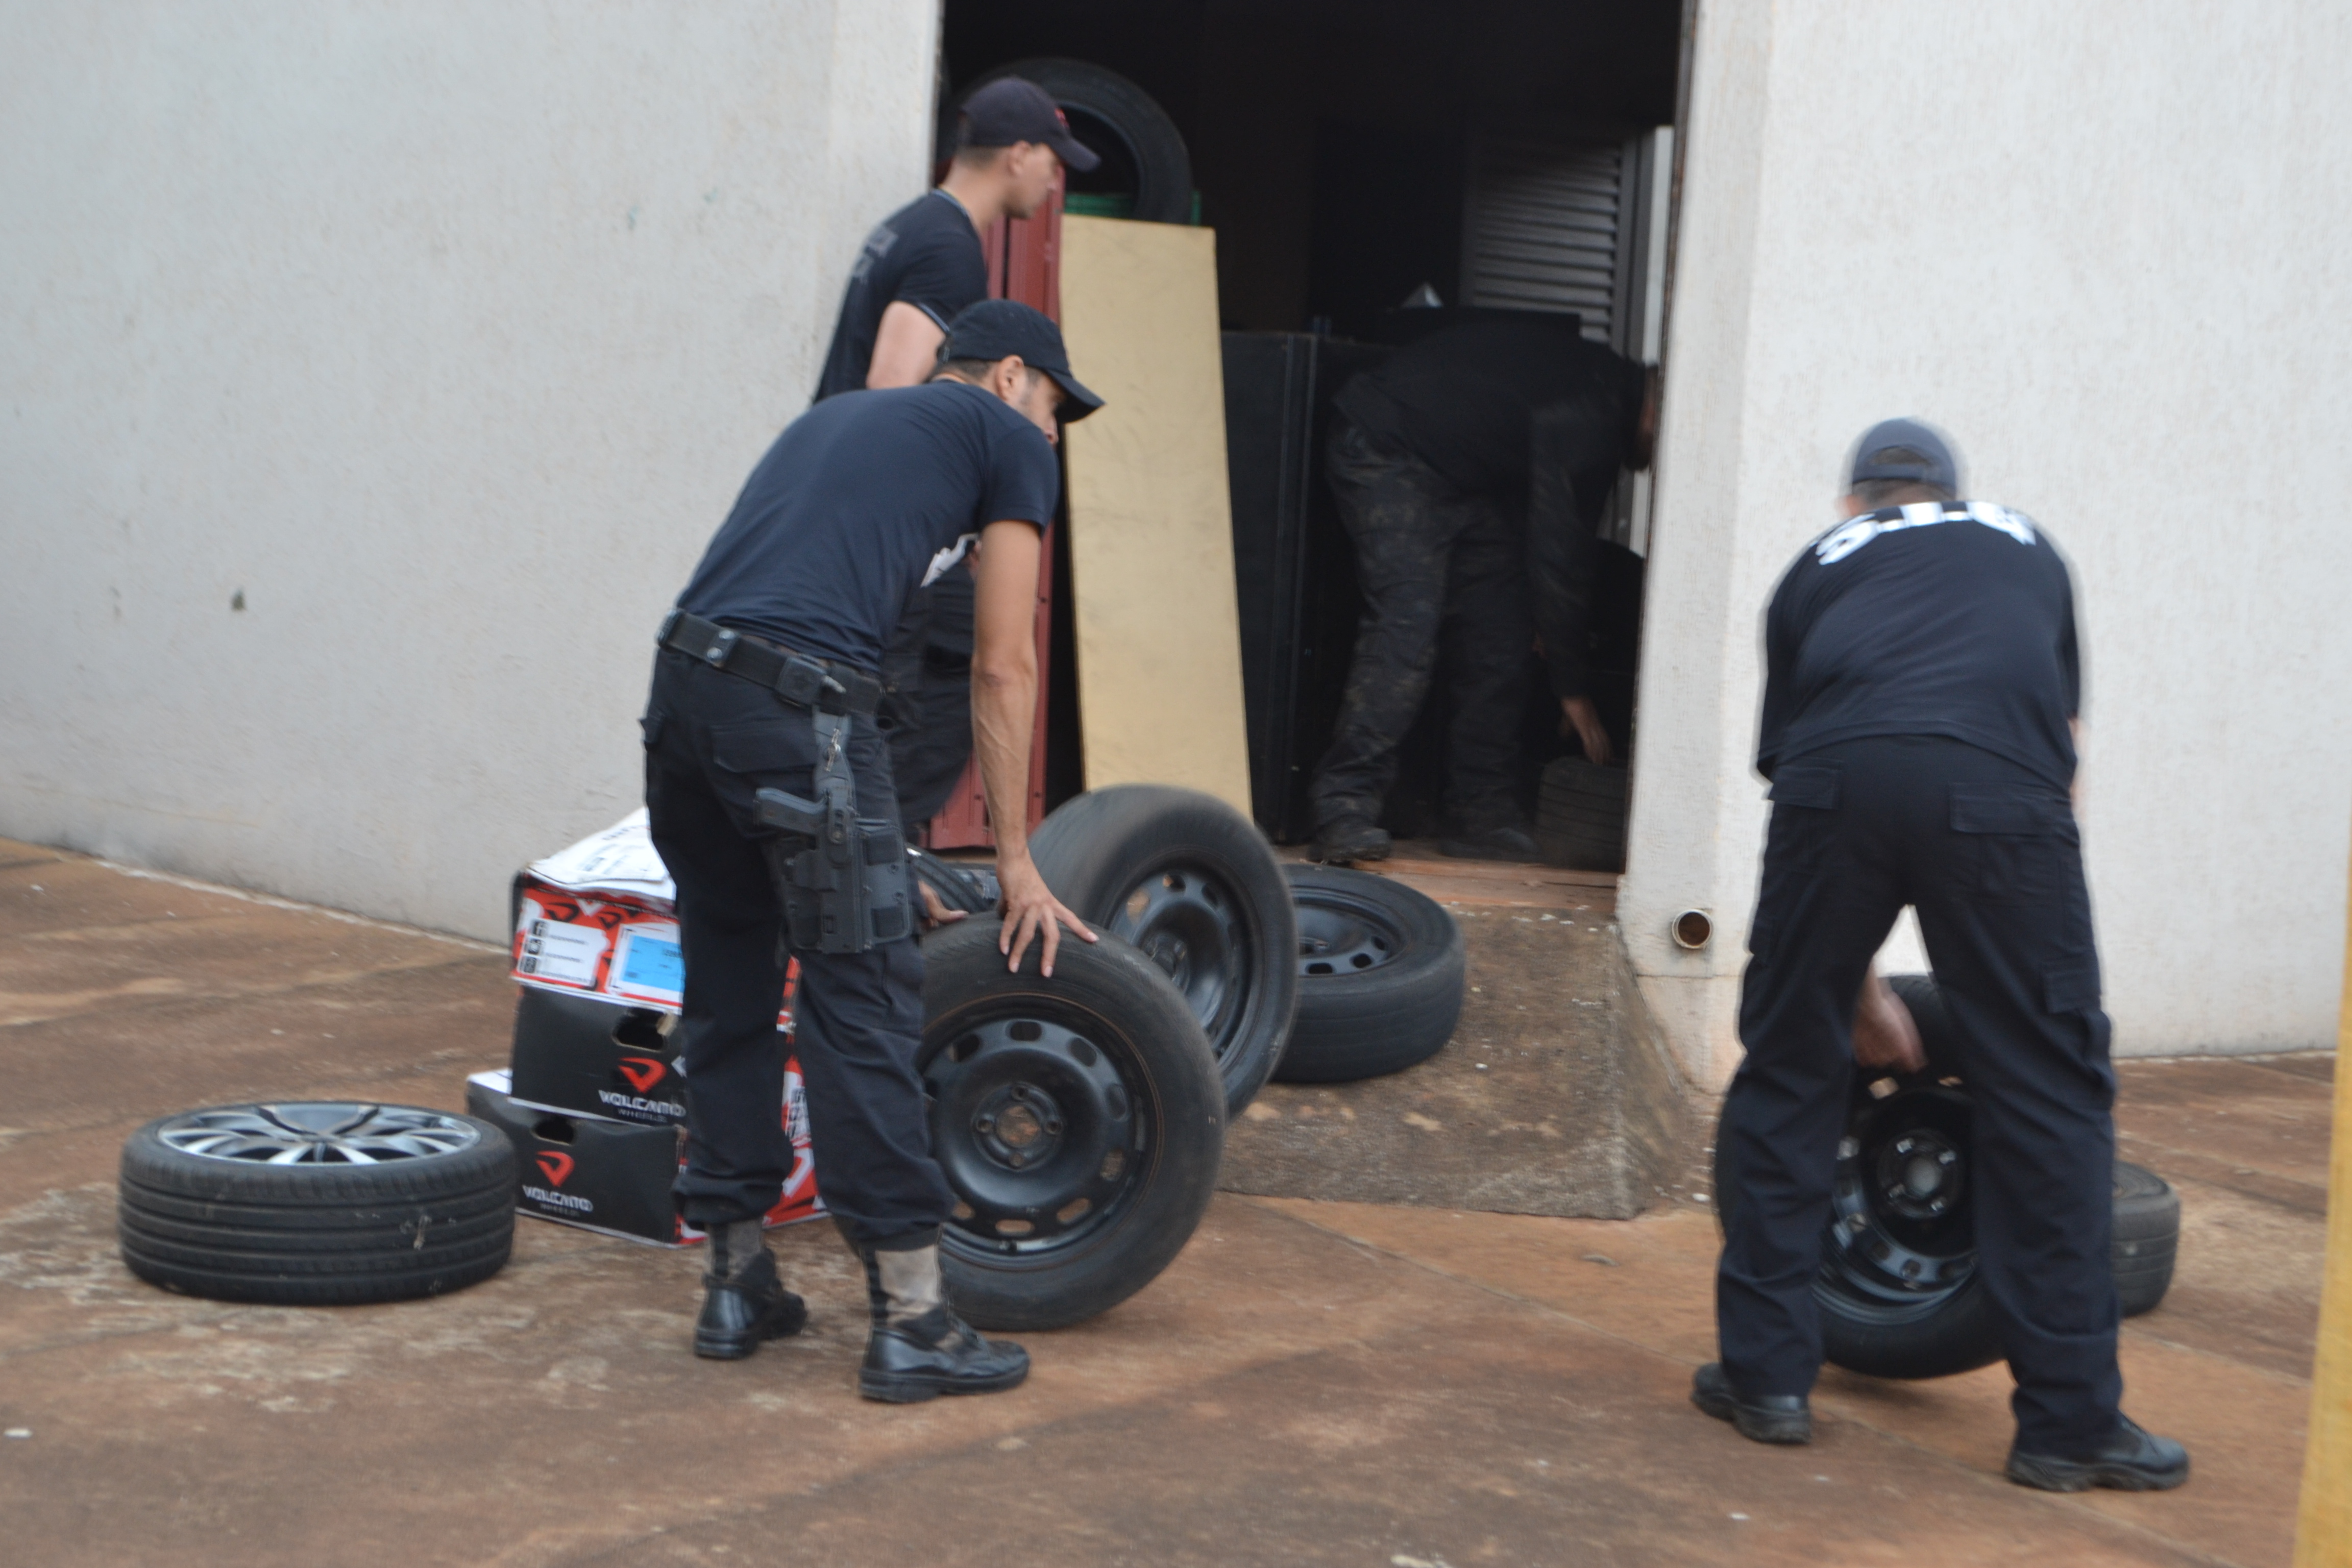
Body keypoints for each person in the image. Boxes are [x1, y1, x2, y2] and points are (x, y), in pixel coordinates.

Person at [1697, 420, 2189, 1493]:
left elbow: (1815, 771)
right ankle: (2068, 1425)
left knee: (1788, 1063)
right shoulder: (2025, 545)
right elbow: (2061, 753)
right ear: (1955, 494)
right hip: (2002, 797)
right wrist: (2032, 931)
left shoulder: (1815, 568)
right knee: (2049, 1091)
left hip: (1838, 784)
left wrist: (1851, 995)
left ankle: (1767, 1380)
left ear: (1853, 504)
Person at [642, 300, 1102, 1402]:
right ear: (1005, 381)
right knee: (864, 1004)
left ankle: (737, 1279)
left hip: (684, 698)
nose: (1053, 437)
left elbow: (846, 669)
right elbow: (1001, 667)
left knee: (731, 981)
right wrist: (1017, 862)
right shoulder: (1002, 445)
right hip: (789, 711)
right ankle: (914, 1318)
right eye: (1053, 408)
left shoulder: (845, 425)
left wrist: (881, 859)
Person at [807, 78, 1099, 834]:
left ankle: (877, 859)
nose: (1054, 177)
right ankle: (875, 867)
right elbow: (892, 385)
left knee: (945, 667)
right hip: (886, 536)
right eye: (1052, 160)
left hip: (855, 524)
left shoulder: (910, 226)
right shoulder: (948, 250)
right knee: (914, 706)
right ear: (1019, 153)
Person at [1307, 315, 1657, 865]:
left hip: (1466, 478)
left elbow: (1564, 543)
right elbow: (1559, 545)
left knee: (1501, 632)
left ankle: (1481, 811)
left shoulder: (1602, 396)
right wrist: (1573, 690)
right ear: (1658, 413)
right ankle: (1343, 806)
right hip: (1389, 446)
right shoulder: (1591, 410)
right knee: (1407, 624)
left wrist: (1547, 624)